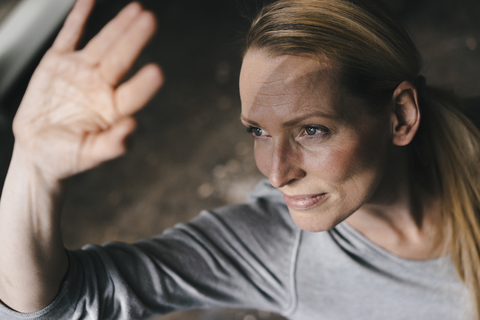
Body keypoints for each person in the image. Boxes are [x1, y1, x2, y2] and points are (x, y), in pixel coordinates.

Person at [0, 0, 478, 319]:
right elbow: (65, 304)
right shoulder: (274, 247)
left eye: (311, 130)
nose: (276, 172)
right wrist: (33, 168)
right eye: (259, 132)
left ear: (400, 115)